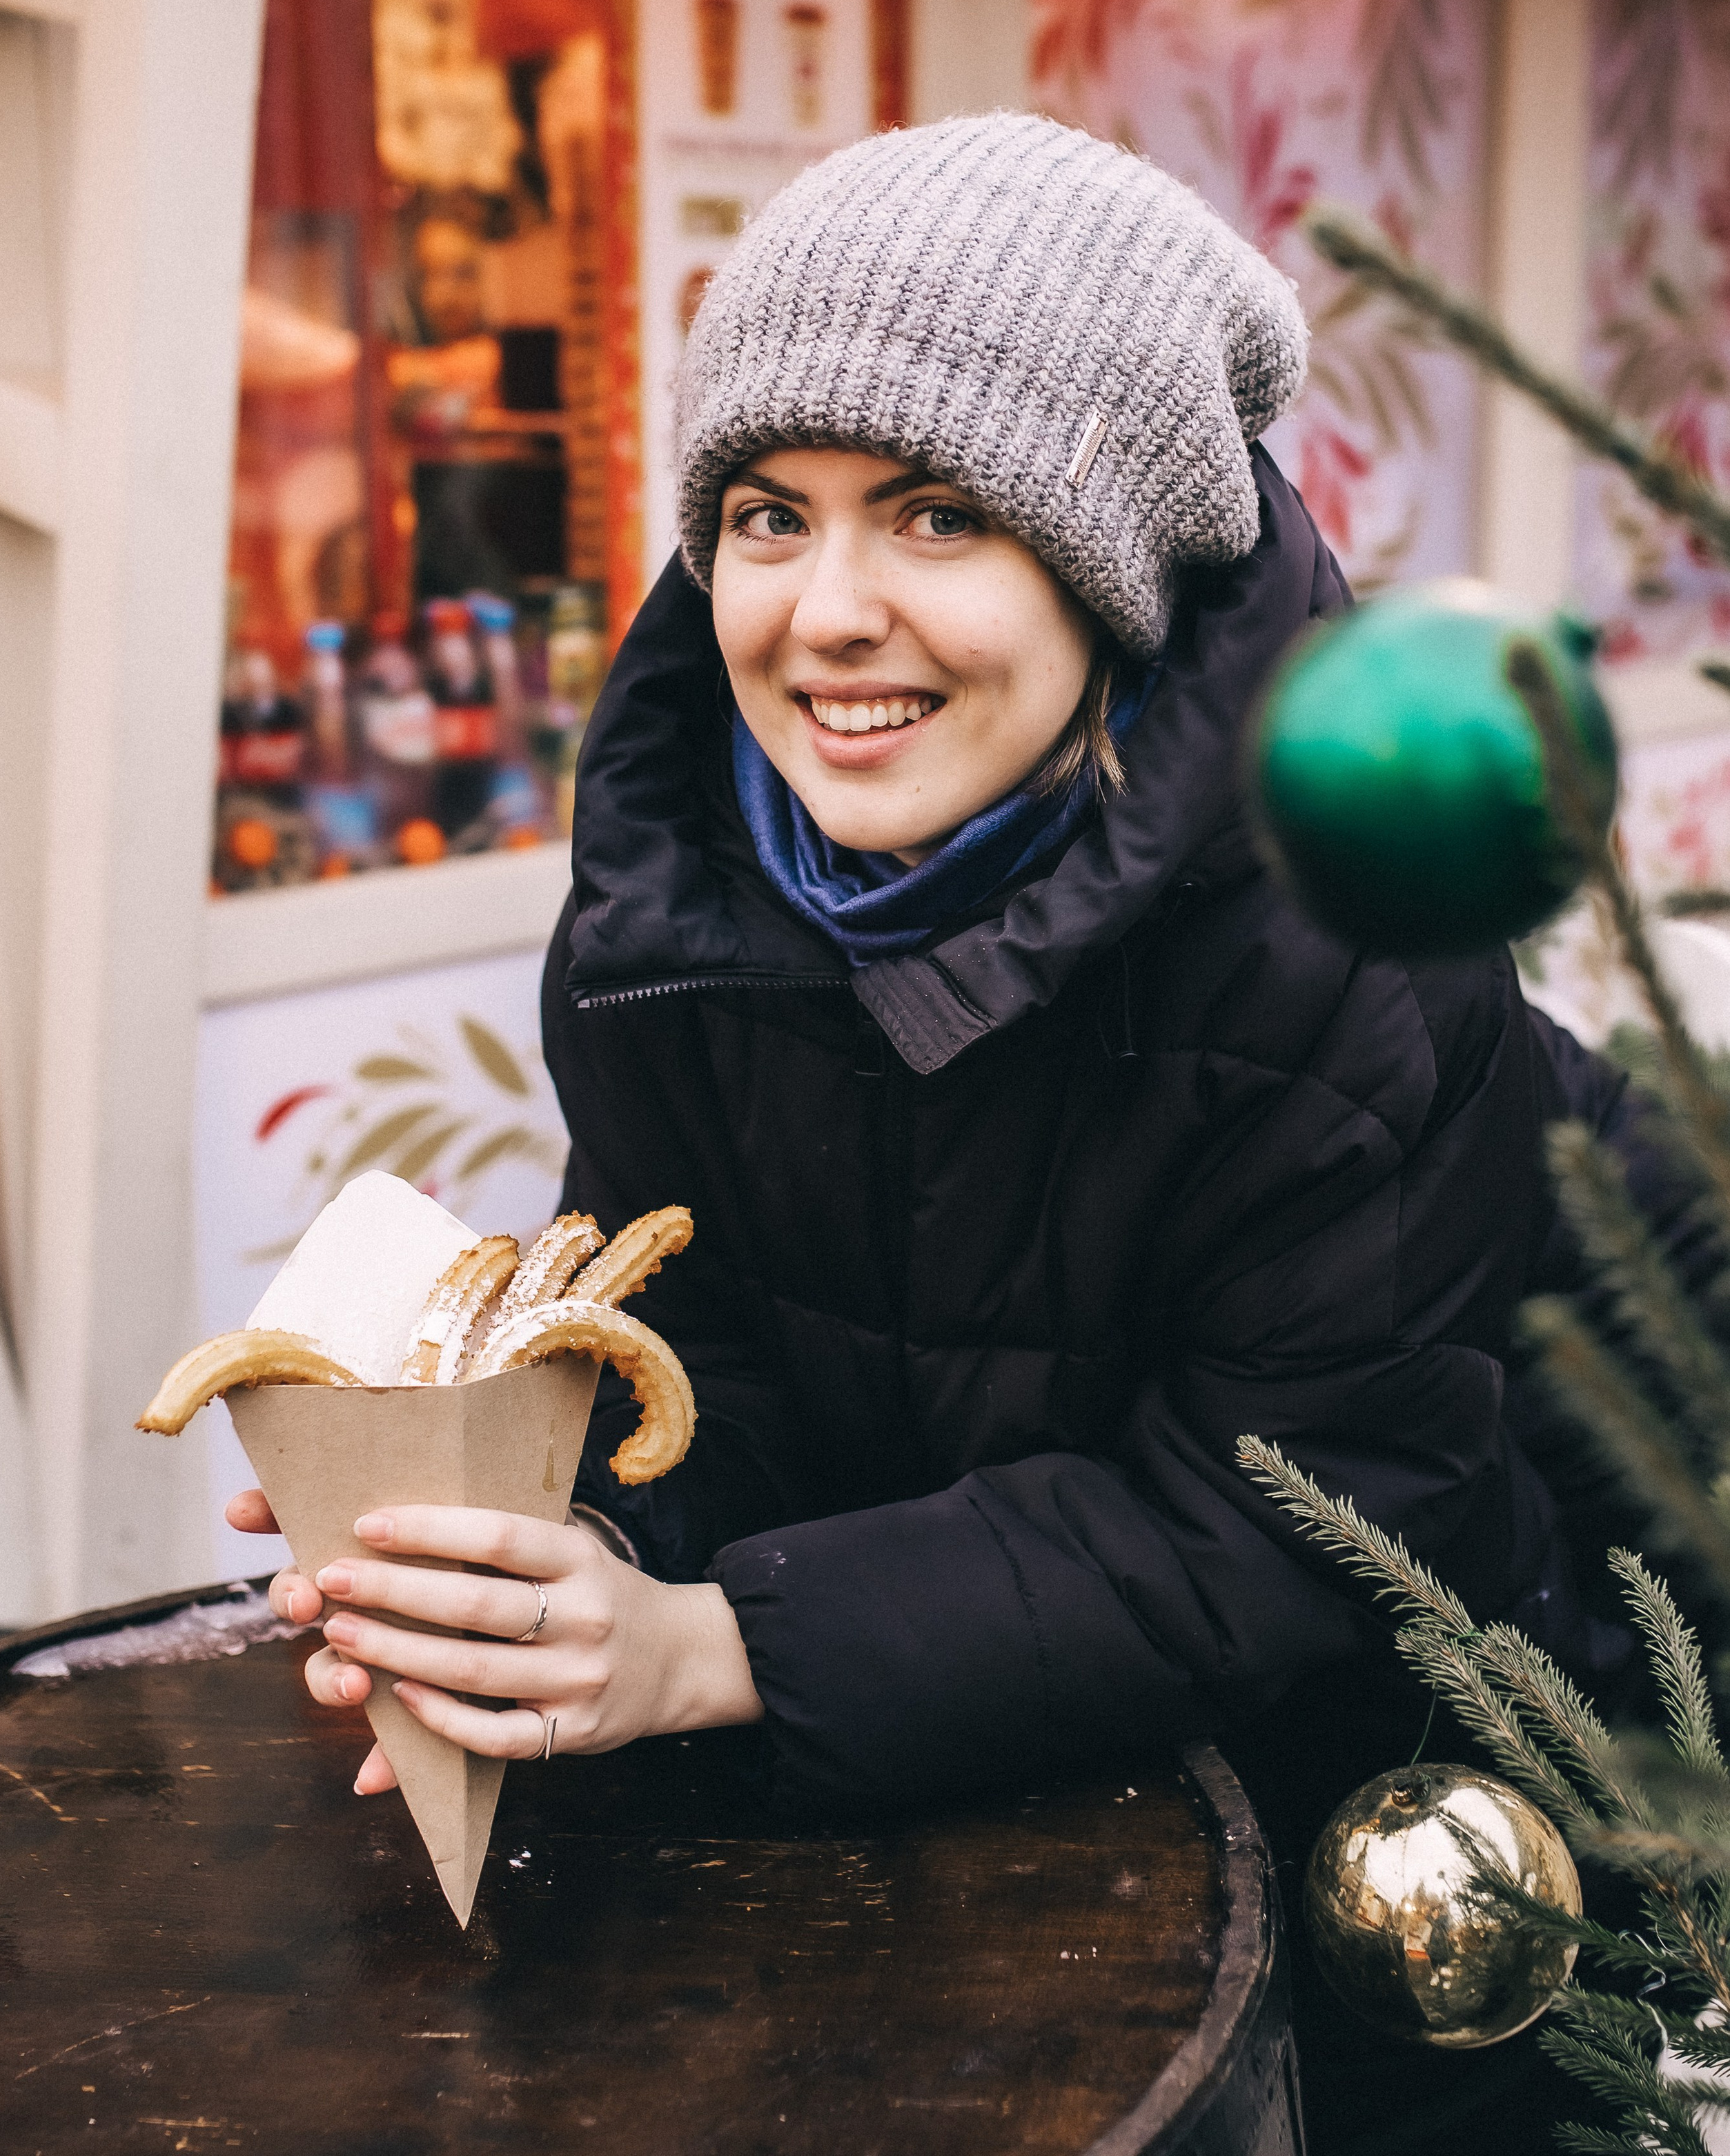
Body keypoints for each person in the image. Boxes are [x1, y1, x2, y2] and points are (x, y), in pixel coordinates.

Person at [233, 114, 1666, 2148]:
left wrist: (713, 1642)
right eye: (764, 511)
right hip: (947, 1804)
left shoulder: (1337, 938)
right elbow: (700, 1330)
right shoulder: (677, 899)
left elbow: (1291, 1516)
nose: (823, 612)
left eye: (932, 515)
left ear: (1123, 564)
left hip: (1392, 1826)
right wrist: (548, 1537)